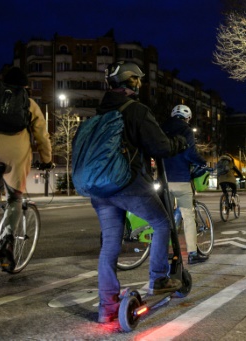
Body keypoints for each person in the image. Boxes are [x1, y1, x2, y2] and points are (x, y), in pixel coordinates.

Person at [90, 61, 188, 323]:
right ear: (131, 81)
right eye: (139, 79)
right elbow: (161, 146)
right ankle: (158, 278)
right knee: (161, 222)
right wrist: (179, 142)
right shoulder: (136, 110)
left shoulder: (99, 114)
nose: (141, 84)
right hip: (127, 183)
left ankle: (106, 305)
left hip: (100, 188)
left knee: (111, 243)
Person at [0, 67, 53, 273]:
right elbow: (41, 135)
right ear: (25, 86)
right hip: (13, 152)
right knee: (14, 197)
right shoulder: (29, 103)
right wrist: (46, 159)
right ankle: (6, 243)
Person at [162, 104, 210, 265]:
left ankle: (164, 252)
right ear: (187, 118)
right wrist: (202, 162)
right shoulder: (186, 129)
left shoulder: (162, 127)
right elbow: (189, 152)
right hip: (181, 178)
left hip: (163, 179)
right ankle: (192, 253)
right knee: (188, 216)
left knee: (165, 217)